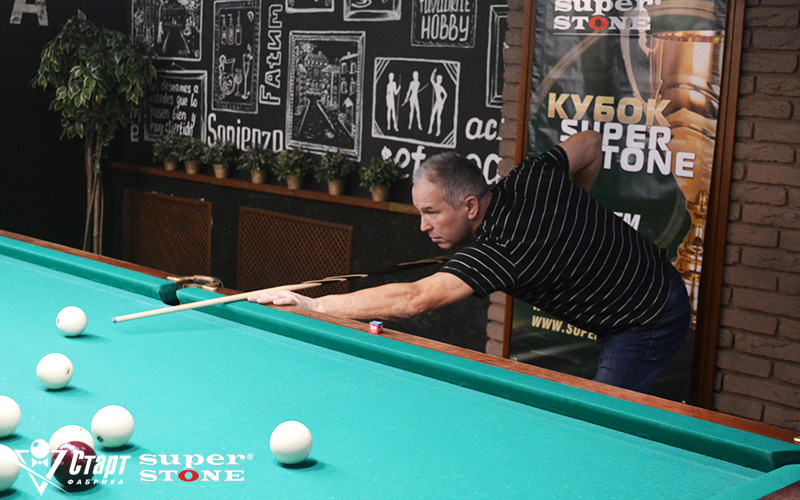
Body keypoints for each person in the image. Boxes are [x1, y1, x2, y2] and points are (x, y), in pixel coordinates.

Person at [248, 131, 690, 393]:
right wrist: (574, 211)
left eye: (432, 213)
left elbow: (415, 299)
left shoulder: (502, 250)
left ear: (472, 206)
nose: (423, 226)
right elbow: (590, 143)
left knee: (602, 427)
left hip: (647, 318)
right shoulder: (530, 176)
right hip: (651, 280)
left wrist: (313, 305)